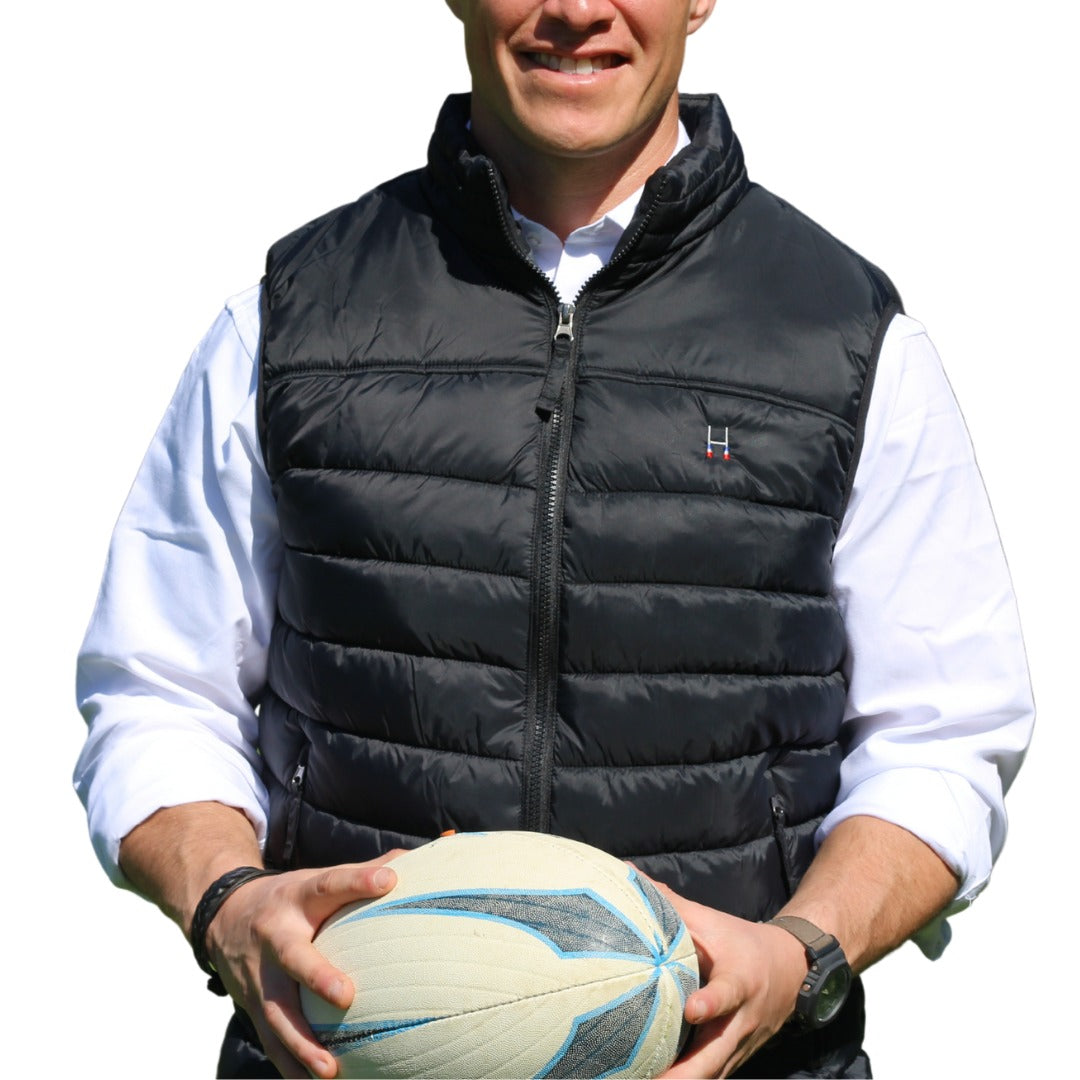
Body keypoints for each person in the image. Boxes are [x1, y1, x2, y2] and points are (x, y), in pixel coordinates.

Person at [74, 2, 1033, 1077]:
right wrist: (228, 902)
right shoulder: (292, 318)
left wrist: (800, 954)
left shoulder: (847, 337)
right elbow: (157, 690)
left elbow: (945, 737)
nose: (577, 10)